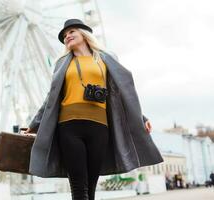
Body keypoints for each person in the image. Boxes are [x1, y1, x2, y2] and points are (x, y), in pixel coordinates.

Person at [24, 18, 163, 200]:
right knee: (78, 187)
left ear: (83, 33)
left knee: (91, 187)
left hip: (99, 127)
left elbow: (120, 94)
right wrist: (34, 124)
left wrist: (141, 118)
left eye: (71, 32)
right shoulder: (63, 63)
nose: (67, 37)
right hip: (68, 127)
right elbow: (51, 99)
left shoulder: (105, 59)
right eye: (65, 36)